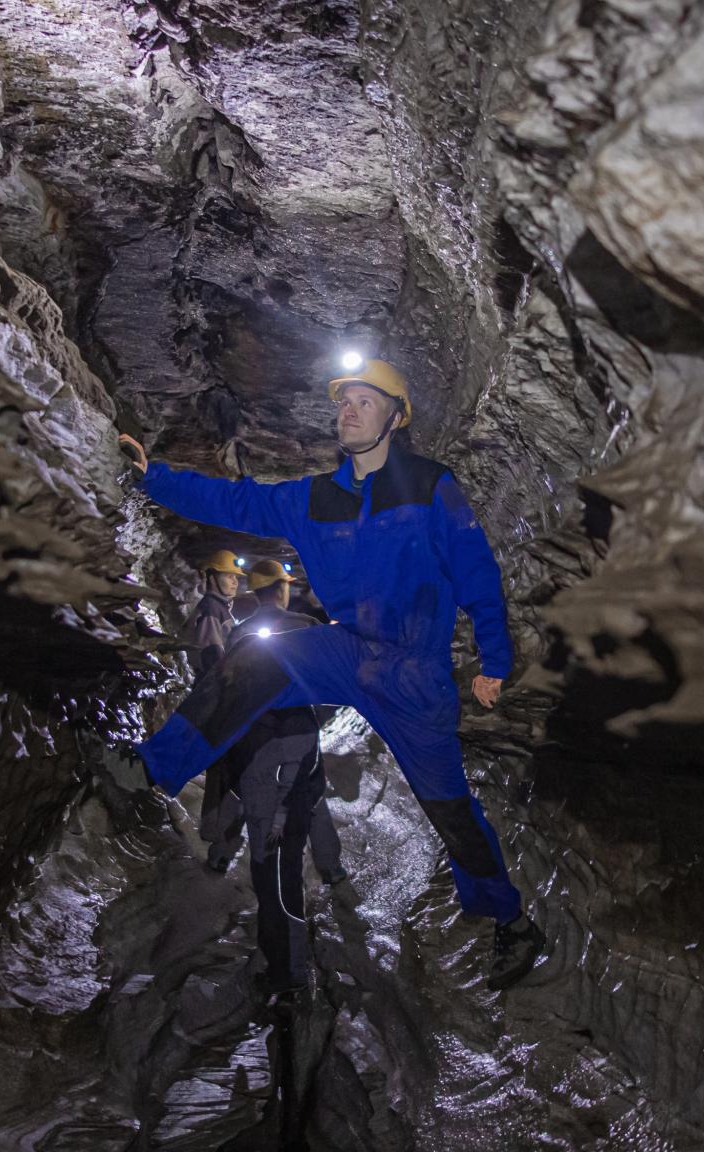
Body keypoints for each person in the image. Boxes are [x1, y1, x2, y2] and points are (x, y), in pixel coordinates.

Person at [115, 356, 546, 991]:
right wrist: (153, 479)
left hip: (415, 675)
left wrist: (495, 661)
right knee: (260, 655)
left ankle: (508, 919)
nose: (348, 411)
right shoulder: (312, 498)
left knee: (451, 811)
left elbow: (477, 575)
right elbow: (236, 500)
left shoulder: (431, 486)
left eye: (365, 402)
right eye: (344, 402)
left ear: (394, 418)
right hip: (349, 652)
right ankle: (153, 768)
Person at [228, 558, 335, 997]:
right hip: (299, 766)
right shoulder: (308, 629)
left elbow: (226, 705)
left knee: (264, 868)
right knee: (287, 866)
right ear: (282, 589)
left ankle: (284, 965)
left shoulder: (239, 635)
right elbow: (330, 696)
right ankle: (288, 965)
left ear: (255, 592)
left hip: (257, 768)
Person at [186, 550, 250, 869]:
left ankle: (219, 837)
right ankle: (217, 839)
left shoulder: (222, 609)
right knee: (225, 769)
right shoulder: (212, 609)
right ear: (211, 577)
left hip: (218, 695)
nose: (234, 582)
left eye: (236, 578)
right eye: (228, 576)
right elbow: (213, 655)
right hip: (217, 696)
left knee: (223, 768)